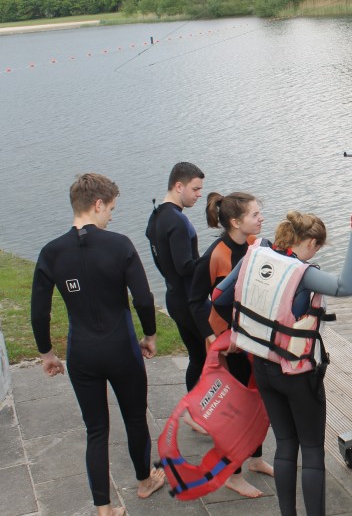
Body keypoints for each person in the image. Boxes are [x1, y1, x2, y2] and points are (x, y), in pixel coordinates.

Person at [212, 207, 352, 515]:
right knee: (312, 450)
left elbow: (219, 297)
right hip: (298, 374)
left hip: (262, 365)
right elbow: (346, 286)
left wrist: (246, 329)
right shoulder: (304, 273)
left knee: (286, 445)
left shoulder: (255, 254)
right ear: (311, 243)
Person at [30, 174, 165, 516]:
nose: (112, 216)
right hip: (122, 349)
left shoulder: (51, 252)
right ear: (98, 204)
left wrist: (47, 353)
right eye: (112, 209)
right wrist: (149, 335)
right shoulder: (119, 244)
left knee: (96, 430)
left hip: (82, 354)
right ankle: (145, 480)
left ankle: (103, 509)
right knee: (135, 417)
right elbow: (144, 299)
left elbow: (38, 312)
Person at [188, 191, 273, 497]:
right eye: (255, 215)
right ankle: (232, 474)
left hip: (253, 338)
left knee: (259, 399)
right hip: (231, 343)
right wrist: (212, 335)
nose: (261, 218)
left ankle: (256, 459)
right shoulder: (216, 255)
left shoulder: (257, 246)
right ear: (236, 222)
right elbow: (195, 299)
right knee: (235, 409)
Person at [145, 161, 206, 391]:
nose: (199, 194)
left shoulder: (157, 216)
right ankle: (210, 410)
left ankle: (194, 408)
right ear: (179, 186)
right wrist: (213, 259)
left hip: (174, 297)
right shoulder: (178, 222)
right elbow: (185, 266)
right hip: (190, 300)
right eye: (195, 189)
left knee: (197, 357)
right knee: (212, 356)